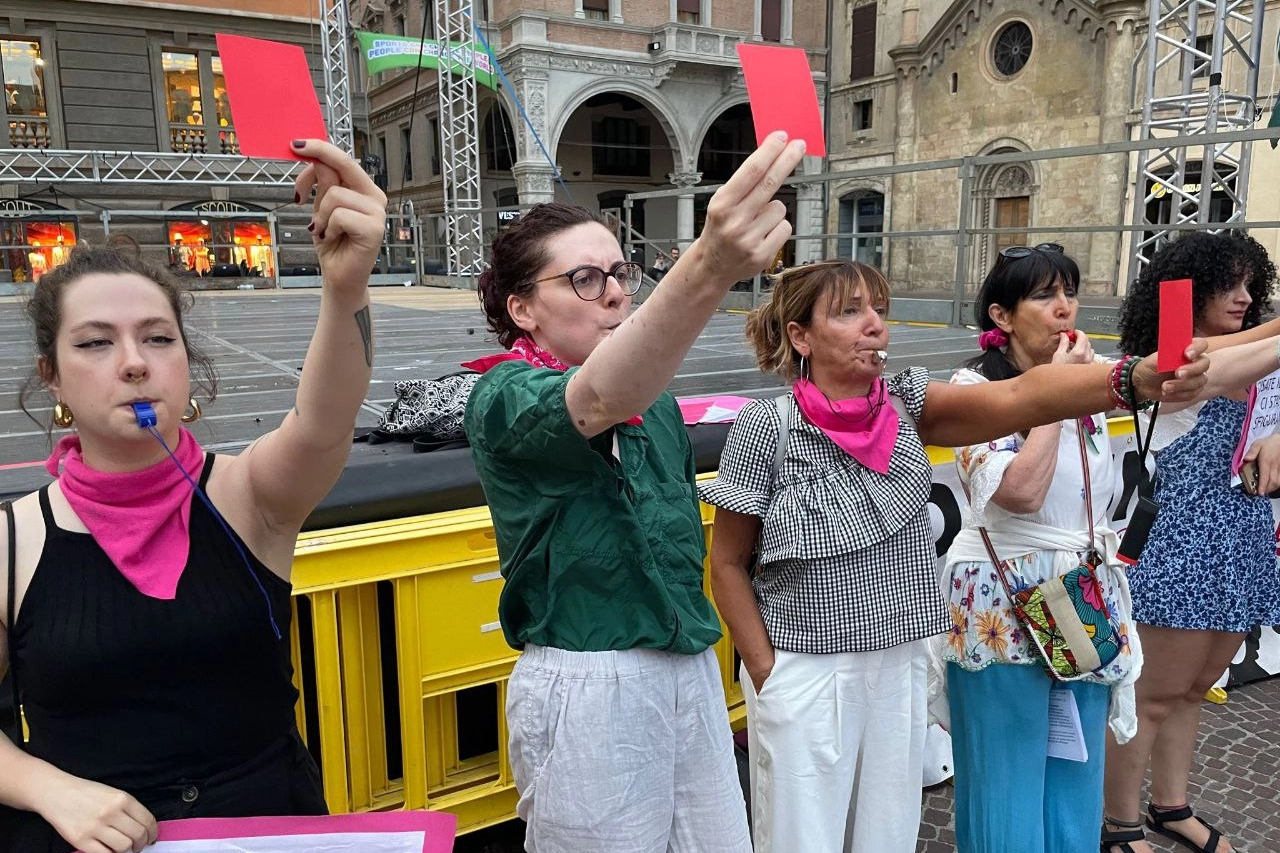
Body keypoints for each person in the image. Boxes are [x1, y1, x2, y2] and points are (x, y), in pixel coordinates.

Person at [698, 257, 1210, 853]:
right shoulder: (768, 425)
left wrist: (1128, 379)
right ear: (800, 335)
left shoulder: (906, 402)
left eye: (879, 311)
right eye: (849, 312)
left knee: (886, 833)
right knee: (800, 836)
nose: (874, 326)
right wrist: (769, 673)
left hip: (897, 661)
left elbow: (1020, 394)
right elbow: (728, 563)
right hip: (807, 669)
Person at [0, 139, 386, 853]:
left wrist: (346, 290)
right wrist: (49, 788)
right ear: (51, 377)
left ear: (187, 361)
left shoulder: (251, 496)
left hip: (271, 831)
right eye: (94, 344)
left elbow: (326, 421)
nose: (135, 362)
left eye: (158, 337)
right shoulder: (12, 542)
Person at [464, 131, 806, 853]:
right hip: (589, 682)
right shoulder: (503, 394)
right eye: (584, 279)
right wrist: (710, 264)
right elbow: (593, 399)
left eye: (619, 271)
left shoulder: (654, 399)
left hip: (685, 666)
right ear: (523, 309)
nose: (616, 289)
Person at [940, 243, 1280, 853]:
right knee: (1007, 772)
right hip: (1001, 596)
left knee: (1077, 765)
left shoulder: (1098, 375)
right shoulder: (972, 387)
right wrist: (1059, 396)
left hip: (1083, 592)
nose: (1064, 307)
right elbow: (1019, 492)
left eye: (1070, 292)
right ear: (1001, 316)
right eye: (1044, 296)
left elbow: (1185, 365)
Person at [1103, 230, 1280, 853]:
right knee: (1150, 695)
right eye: (1226, 283)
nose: (1243, 296)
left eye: (1249, 284)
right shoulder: (1167, 362)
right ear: (1188, 291)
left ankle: (1170, 805)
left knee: (1194, 687)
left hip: (1244, 543)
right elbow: (1197, 363)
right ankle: (1120, 822)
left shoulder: (1264, 360)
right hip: (1180, 544)